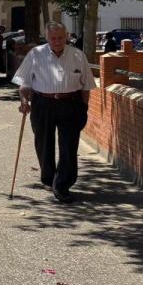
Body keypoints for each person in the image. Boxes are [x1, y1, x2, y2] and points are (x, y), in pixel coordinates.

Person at [13, 22, 97, 203]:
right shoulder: (36, 54)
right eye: (53, 38)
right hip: (43, 103)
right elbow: (24, 84)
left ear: (66, 36)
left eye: (60, 37)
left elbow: (86, 86)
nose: (57, 41)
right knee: (43, 143)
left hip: (71, 102)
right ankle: (49, 178)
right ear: (47, 38)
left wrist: (84, 108)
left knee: (69, 145)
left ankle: (62, 185)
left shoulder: (77, 55)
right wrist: (24, 101)